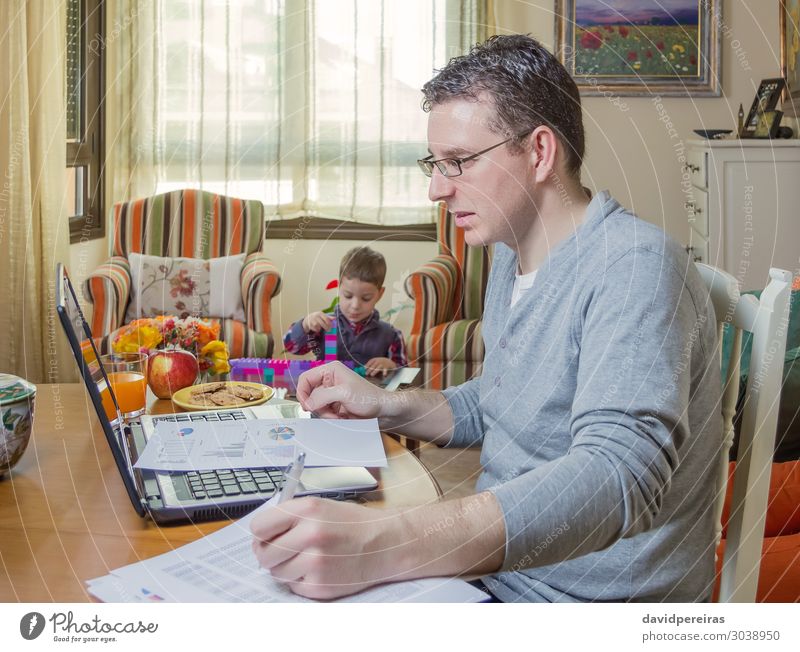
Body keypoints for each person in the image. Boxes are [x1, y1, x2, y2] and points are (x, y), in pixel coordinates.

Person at [251, 34, 722, 602]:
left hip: (578, 603)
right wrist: (385, 405)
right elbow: (500, 400)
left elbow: (619, 476)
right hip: (497, 577)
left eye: (458, 162)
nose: (435, 188)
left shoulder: (635, 268)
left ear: (540, 152)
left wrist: (387, 541)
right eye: (435, 163)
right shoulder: (512, 253)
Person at [282, 246, 407, 377]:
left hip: (367, 396)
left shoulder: (391, 335)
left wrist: (391, 366)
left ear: (379, 294)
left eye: (366, 298)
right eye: (348, 295)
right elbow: (292, 347)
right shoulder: (324, 325)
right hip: (325, 394)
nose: (355, 305)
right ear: (339, 287)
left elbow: (404, 376)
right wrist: (305, 325)